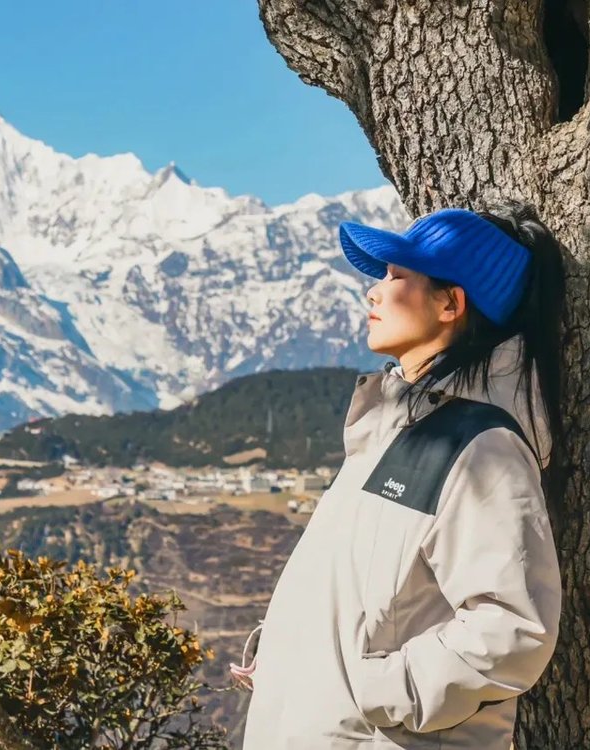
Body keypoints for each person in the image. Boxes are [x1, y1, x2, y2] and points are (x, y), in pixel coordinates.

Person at [230, 203, 567, 749]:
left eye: (396, 276)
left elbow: (512, 627)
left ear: (451, 303)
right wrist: (291, 657)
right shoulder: (395, 430)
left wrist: (375, 691)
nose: (374, 291)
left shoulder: (483, 448)